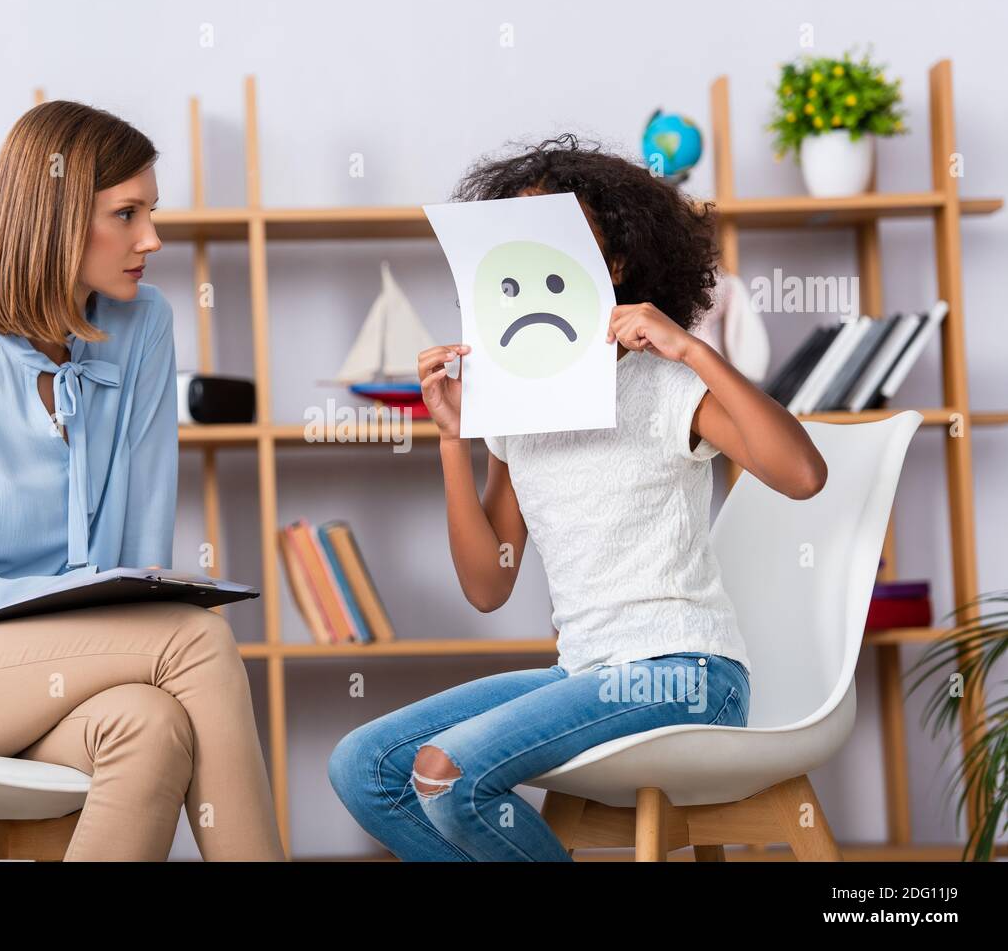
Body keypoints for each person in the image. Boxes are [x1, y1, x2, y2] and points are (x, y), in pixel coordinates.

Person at [328, 134, 828, 861]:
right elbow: (488, 582)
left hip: (686, 671)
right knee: (367, 767)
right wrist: (452, 439)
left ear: (616, 261)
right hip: (586, 670)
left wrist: (691, 349)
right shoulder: (516, 404)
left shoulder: (665, 385)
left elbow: (802, 474)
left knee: (447, 774)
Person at [0, 99, 285, 861]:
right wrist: (55, 614)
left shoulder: (142, 328)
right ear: (58, 220)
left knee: (151, 724)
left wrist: (90, 621)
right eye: (127, 213)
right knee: (197, 640)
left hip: (48, 676)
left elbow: (137, 566)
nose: (152, 238)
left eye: (152, 211)